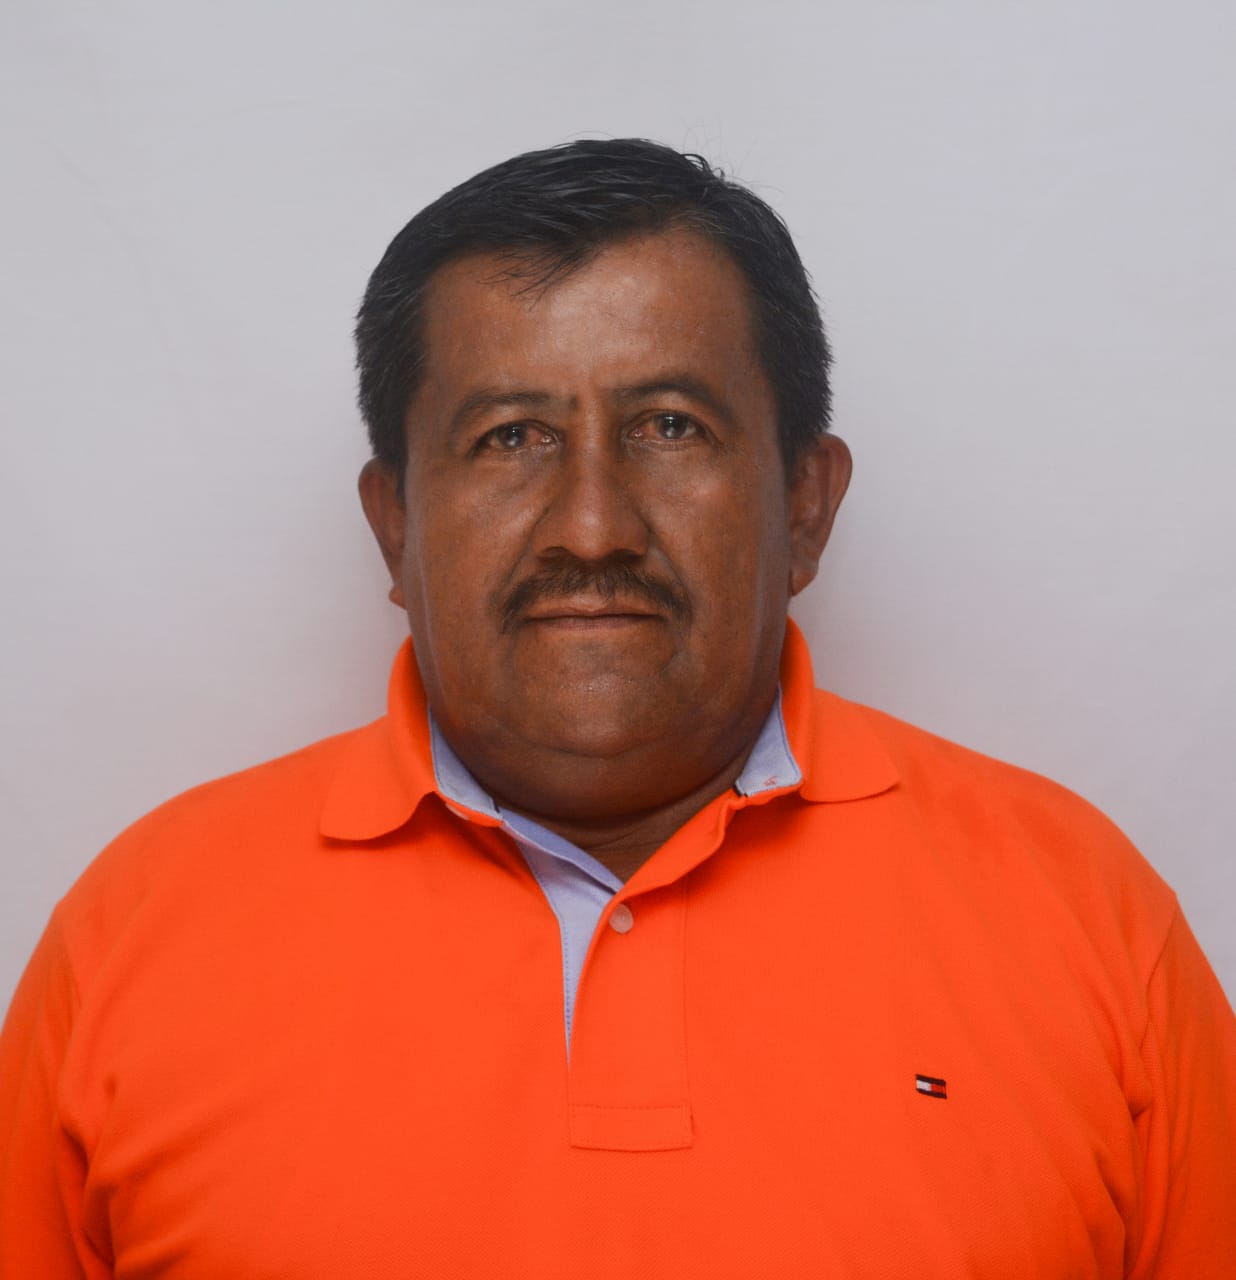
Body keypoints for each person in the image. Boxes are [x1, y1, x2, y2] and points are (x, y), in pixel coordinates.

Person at [1, 138, 1233, 1279]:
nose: (592, 526)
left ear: (806, 504)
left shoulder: (1087, 922)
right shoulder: (133, 942)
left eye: (669, 426)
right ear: (393, 524)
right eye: (510, 436)